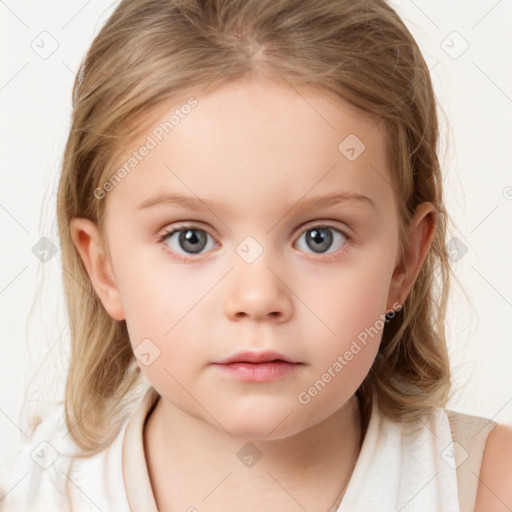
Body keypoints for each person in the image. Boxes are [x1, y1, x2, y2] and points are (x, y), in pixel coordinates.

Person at [1, 0, 511, 510]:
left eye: (320, 238)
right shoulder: (37, 496)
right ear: (104, 268)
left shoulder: (487, 486)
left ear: (405, 261)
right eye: (190, 239)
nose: (257, 297)